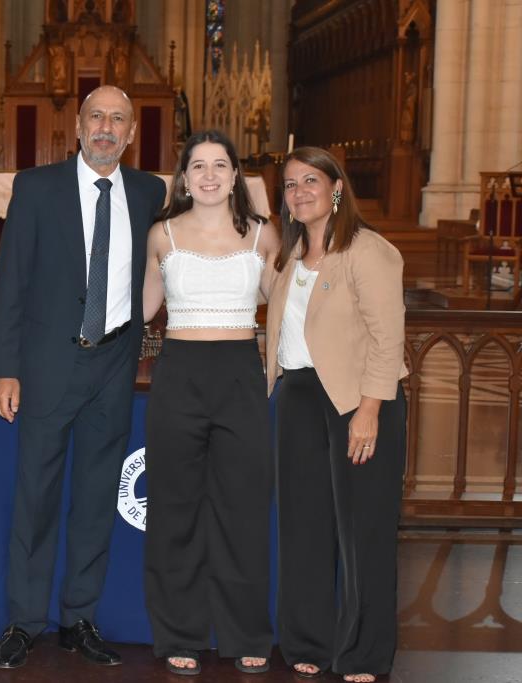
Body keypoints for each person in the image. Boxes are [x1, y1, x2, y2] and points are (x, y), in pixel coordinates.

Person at [0, 85, 166, 669]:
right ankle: (23, 621)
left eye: (118, 119)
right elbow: (11, 281)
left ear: (132, 132)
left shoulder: (148, 192)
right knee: (36, 496)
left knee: (94, 498)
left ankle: (79, 618)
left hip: (113, 365)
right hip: (45, 365)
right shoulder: (36, 188)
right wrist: (5, 369)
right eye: (97, 117)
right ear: (78, 125)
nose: (107, 128)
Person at [141, 129, 279, 676]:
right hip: (179, 375)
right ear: (183, 179)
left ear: (235, 175)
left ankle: (247, 631)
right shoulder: (162, 235)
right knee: (175, 509)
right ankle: (180, 631)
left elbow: (292, 304)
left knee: (242, 508)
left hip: (241, 375)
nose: (209, 176)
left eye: (219, 165)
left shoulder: (264, 236)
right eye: (198, 167)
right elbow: (138, 309)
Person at [266, 147, 407, 683]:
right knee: (304, 527)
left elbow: (388, 338)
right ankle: (308, 640)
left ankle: (365, 653)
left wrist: (368, 411)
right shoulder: (292, 252)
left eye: (310, 181)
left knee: (363, 532)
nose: (299, 192)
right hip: (299, 396)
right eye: (290, 184)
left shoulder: (368, 250)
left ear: (336, 188)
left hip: (358, 400)